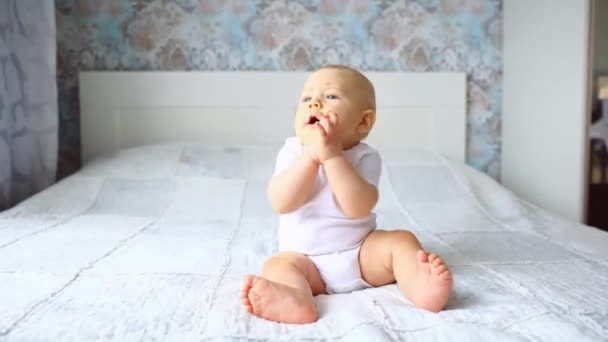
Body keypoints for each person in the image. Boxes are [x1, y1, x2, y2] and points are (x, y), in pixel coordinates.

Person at [241, 65, 452, 324]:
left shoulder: (365, 157)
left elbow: (358, 207)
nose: (314, 103)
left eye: (330, 96)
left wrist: (331, 157)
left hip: (361, 254)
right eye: (306, 99)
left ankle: (420, 284)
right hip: (306, 262)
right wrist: (311, 157)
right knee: (277, 265)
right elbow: (281, 202)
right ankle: (296, 299)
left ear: (363, 122)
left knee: (401, 240)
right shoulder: (293, 152)